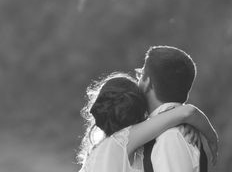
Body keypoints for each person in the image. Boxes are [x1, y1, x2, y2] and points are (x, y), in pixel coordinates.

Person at [77, 71, 218, 172]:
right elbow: (188, 112)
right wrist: (212, 139)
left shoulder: (98, 153)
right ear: (141, 112)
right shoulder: (124, 140)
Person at [136, 46, 214, 172]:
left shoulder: (170, 138)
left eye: (139, 75)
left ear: (147, 82)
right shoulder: (168, 134)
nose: (137, 82)